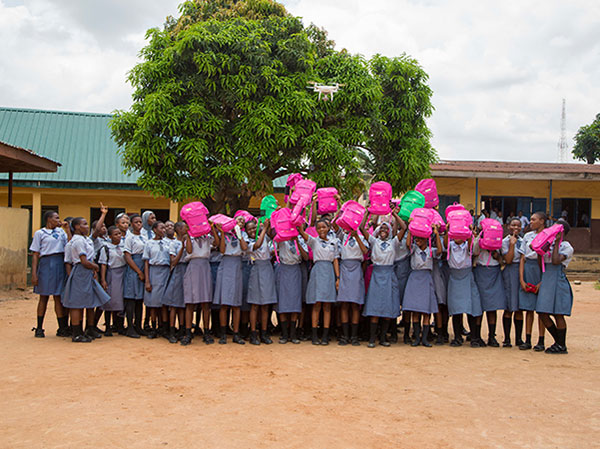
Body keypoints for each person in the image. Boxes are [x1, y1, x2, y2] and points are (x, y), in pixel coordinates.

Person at [62, 217, 110, 342]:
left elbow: (97, 230)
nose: (87, 226)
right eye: (84, 224)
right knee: (77, 304)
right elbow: (84, 261)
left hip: (87, 272)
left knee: (88, 301)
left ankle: (87, 329)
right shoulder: (77, 241)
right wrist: (95, 267)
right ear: (77, 227)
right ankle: (76, 333)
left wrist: (103, 214)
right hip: (81, 272)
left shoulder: (85, 239)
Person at [360, 212, 403, 348]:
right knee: (374, 307)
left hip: (389, 274)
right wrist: (368, 213)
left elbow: (404, 228)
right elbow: (361, 228)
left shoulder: (394, 242)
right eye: (382, 229)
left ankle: (384, 337)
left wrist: (395, 214)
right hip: (377, 275)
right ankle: (372, 338)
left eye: (386, 229)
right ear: (378, 232)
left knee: (387, 308)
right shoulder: (374, 241)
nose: (384, 231)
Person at [298, 219, 340, 346]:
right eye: (319, 228)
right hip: (317, 271)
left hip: (329, 272)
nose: (321, 230)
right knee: (316, 304)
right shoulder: (314, 241)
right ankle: (315, 335)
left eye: (324, 227)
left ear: (329, 228)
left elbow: (335, 260)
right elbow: (301, 232)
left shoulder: (334, 242)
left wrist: (338, 277)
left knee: (327, 305)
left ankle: (325, 336)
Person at [30, 210, 70, 338]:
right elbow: (35, 254)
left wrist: (67, 229)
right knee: (44, 296)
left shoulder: (61, 232)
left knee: (58, 296)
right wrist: (34, 273)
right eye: (56, 218)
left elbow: (69, 244)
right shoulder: (40, 233)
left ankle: (62, 327)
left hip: (60, 262)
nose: (59, 220)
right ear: (49, 219)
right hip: (47, 263)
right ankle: (39, 327)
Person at [536, 219, 574, 354]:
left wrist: (557, 242)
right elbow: (542, 265)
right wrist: (539, 250)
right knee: (542, 311)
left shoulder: (566, 246)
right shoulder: (549, 244)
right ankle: (559, 341)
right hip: (547, 279)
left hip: (558, 279)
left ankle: (561, 345)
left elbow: (556, 261)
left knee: (558, 313)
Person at [403, 224, 443, 348]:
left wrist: (436, 234)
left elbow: (440, 251)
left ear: (426, 239)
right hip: (415, 278)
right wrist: (410, 229)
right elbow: (408, 244)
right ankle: (416, 337)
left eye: (420, 238)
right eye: (417, 238)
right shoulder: (414, 249)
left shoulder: (431, 250)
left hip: (426, 278)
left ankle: (424, 339)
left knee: (426, 311)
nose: (417, 241)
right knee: (415, 311)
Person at [446, 227, 484, 347]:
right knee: (456, 309)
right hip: (454, 277)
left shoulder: (468, 246)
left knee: (471, 307)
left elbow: (473, 247)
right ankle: (457, 337)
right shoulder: (450, 245)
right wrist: (448, 230)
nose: (458, 237)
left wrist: (470, 232)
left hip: (467, 276)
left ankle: (473, 338)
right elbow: (445, 243)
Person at [333, 216, 369, 346]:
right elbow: (336, 257)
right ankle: (344, 335)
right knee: (344, 304)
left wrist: (357, 235)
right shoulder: (341, 237)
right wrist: (338, 277)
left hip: (356, 269)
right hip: (344, 269)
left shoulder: (361, 237)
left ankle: (354, 336)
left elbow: (365, 251)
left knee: (355, 304)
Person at [182, 223, 220, 346]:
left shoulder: (207, 237)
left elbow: (216, 244)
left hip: (205, 267)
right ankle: (188, 333)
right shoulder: (189, 237)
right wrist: (188, 234)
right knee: (190, 302)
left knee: (205, 302)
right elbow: (188, 250)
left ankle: (206, 332)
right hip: (193, 266)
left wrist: (213, 229)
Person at [213, 220, 248, 345]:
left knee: (236, 303)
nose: (241, 222)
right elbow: (222, 250)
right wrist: (222, 233)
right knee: (224, 302)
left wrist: (239, 234)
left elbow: (244, 248)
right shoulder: (226, 235)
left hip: (237, 265)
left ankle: (236, 334)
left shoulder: (243, 235)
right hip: (226, 264)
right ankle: (223, 333)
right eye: (239, 220)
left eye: (243, 221)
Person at [517, 211, 547, 351]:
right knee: (528, 308)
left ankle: (541, 340)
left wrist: (542, 282)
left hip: (541, 269)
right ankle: (527, 339)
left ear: (542, 221)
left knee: (541, 309)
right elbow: (522, 258)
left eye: (534, 219)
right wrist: (522, 279)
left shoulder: (548, 236)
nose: (531, 222)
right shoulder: (527, 236)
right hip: (528, 268)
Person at [246, 219, 277, 345]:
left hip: (267, 269)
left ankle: (264, 332)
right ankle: (253, 333)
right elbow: (257, 246)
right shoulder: (248, 242)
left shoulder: (265, 237)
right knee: (255, 304)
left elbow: (270, 241)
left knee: (265, 304)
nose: (253, 230)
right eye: (250, 229)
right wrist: (263, 229)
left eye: (254, 228)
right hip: (257, 269)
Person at [473, 234, 506, 347]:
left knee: (492, 306)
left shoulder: (498, 241)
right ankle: (477, 336)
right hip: (480, 271)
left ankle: (492, 336)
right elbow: (474, 251)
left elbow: (503, 260)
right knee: (479, 306)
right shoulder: (479, 240)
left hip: (494, 272)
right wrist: (481, 239)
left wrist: (497, 256)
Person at [274, 235, 309, 345]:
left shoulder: (301, 239)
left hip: (295, 269)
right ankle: (284, 334)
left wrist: (297, 242)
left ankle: (293, 334)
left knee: (295, 302)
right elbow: (274, 243)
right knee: (283, 302)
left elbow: (306, 257)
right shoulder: (281, 237)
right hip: (283, 269)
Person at [143, 221, 171, 338]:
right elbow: (146, 262)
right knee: (153, 303)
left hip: (165, 272)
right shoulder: (149, 243)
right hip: (154, 271)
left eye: (165, 228)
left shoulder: (168, 243)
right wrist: (147, 280)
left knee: (164, 302)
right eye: (161, 228)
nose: (164, 230)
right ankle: (153, 328)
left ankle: (164, 328)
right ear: (154, 230)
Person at [162, 222, 188, 344]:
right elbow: (173, 262)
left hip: (187, 271)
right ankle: (172, 331)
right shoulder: (174, 244)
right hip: (177, 272)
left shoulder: (189, 242)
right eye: (184, 227)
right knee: (173, 304)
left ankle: (182, 330)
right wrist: (182, 247)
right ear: (179, 230)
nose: (187, 229)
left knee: (183, 304)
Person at [501, 218, 525, 347]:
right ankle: (507, 338)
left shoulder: (524, 241)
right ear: (508, 227)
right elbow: (508, 260)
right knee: (509, 306)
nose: (516, 228)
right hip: (510, 271)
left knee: (520, 307)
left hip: (521, 271)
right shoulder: (505, 241)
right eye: (513, 225)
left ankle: (518, 338)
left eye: (518, 226)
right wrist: (512, 244)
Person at [99, 226, 127, 336]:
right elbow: (103, 264)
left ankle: (119, 325)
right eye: (115, 234)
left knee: (120, 300)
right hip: (112, 274)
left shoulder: (124, 246)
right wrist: (103, 279)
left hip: (122, 273)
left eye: (119, 233)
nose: (118, 236)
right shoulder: (106, 248)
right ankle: (108, 327)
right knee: (110, 300)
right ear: (110, 236)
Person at [122, 214, 147, 338]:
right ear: (131, 224)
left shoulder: (144, 237)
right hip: (134, 268)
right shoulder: (129, 237)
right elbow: (127, 256)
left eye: (140, 222)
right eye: (136, 222)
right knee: (131, 299)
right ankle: (130, 327)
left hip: (143, 265)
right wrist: (139, 271)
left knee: (139, 300)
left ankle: (138, 326)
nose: (139, 224)